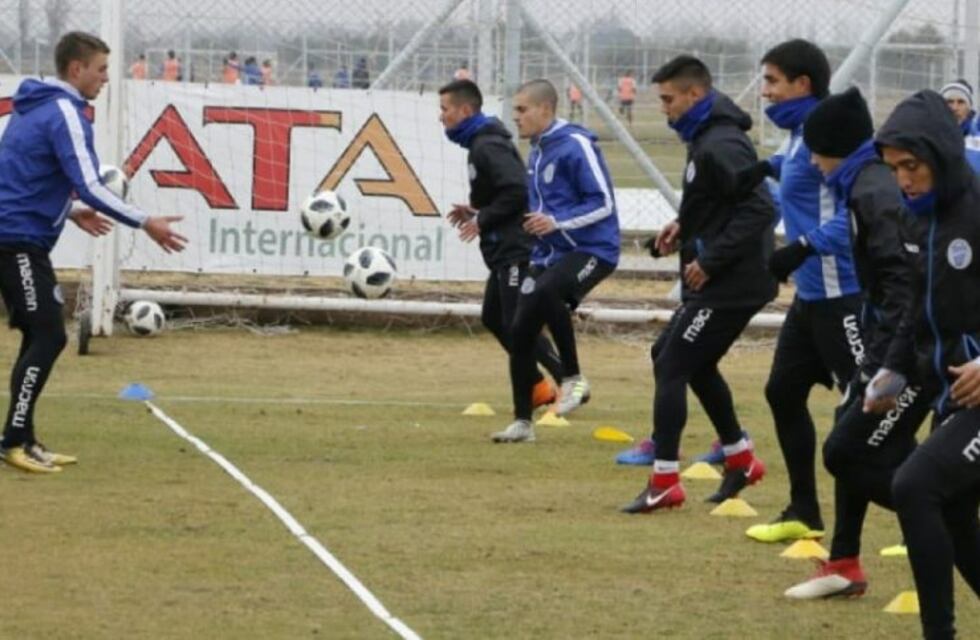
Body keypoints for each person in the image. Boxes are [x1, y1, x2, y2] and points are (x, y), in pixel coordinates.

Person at [0, 31, 187, 473]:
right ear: (76, 69)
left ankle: (22, 437)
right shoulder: (64, 111)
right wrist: (147, 222)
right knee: (48, 335)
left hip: (21, 238)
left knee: (39, 335)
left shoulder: (36, 106)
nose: (106, 78)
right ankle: (11, 441)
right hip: (14, 241)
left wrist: (70, 211)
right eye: (101, 69)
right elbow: (90, 182)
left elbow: (25, 179)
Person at [782, 87, 932, 599]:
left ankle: (948, 522)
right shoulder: (863, 185)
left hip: (917, 354)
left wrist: (890, 365)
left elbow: (904, 285)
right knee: (851, 437)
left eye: (817, 154)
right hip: (893, 345)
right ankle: (845, 563)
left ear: (835, 150)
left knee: (844, 451)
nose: (814, 165)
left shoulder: (875, 191)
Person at [620, 55, 775, 513]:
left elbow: (760, 209)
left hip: (734, 282)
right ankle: (740, 457)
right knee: (683, 360)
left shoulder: (721, 143)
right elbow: (722, 203)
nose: (664, 108)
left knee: (672, 364)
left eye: (669, 99)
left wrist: (710, 258)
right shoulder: (706, 137)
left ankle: (665, 479)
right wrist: (683, 226)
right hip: (726, 277)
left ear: (695, 94)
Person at [736, 39, 865, 543]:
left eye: (771, 81)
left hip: (844, 295)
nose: (763, 91)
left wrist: (801, 247)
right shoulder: (798, 136)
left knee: (869, 408)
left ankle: (926, 510)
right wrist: (764, 169)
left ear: (802, 84)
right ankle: (804, 510)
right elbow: (797, 175)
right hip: (810, 298)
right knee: (782, 392)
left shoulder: (830, 133)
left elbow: (855, 219)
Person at [867, 89, 980, 640]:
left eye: (912, 166)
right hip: (953, 394)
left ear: (941, 153)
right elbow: (914, 308)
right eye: (894, 169)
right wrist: (890, 369)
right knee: (955, 519)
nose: (904, 180)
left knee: (914, 486)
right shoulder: (916, 219)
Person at [490, 79, 619, 443]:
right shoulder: (538, 150)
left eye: (521, 109)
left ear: (545, 109)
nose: (516, 117)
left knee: (547, 292)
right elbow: (541, 208)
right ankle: (522, 424)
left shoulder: (575, 145)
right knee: (519, 330)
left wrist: (557, 223)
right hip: (552, 253)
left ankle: (573, 379)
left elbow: (604, 203)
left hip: (594, 249)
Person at [439, 79, 564, 429]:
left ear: (465, 111)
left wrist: (484, 218)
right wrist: (475, 208)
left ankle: (561, 384)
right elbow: (501, 193)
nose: (441, 117)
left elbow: (515, 192)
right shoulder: (480, 143)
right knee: (494, 318)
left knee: (516, 324)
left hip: (516, 249)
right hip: (502, 249)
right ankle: (542, 385)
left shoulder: (487, 145)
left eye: (445, 109)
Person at [940, 78, 980, 173]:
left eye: (961, 102)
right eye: (950, 102)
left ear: (968, 107)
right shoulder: (929, 135)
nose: (955, 108)